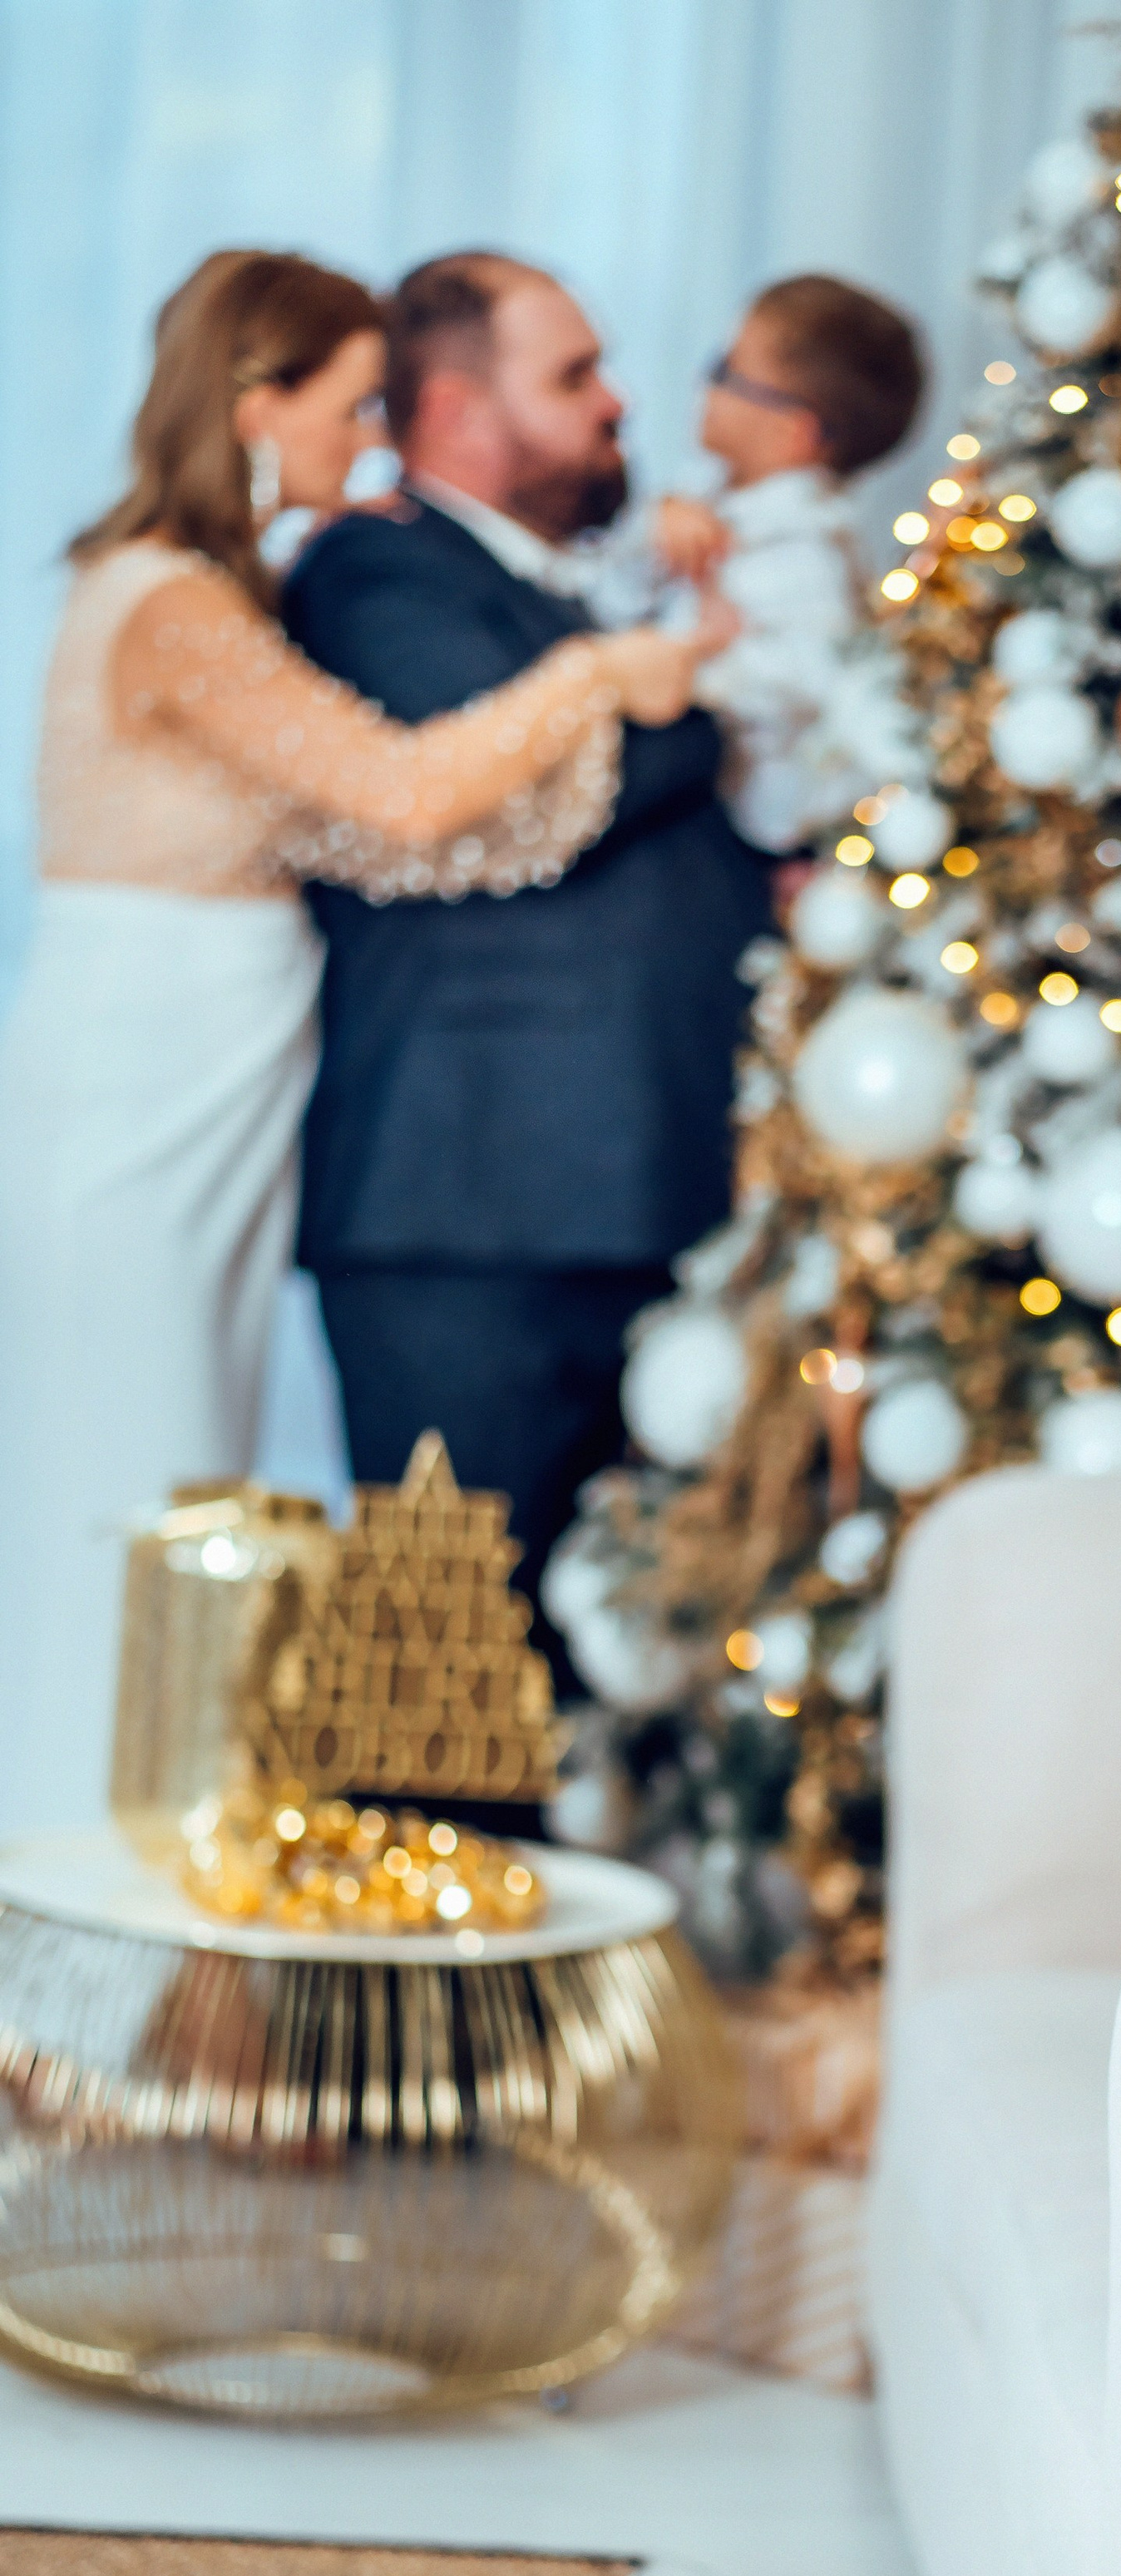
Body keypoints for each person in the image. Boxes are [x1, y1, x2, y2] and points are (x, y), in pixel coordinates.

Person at [0, 248, 704, 1831]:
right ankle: (72, 1923)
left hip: (221, 1077)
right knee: (120, 1500)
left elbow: (400, 838)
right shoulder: (169, 602)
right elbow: (400, 794)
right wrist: (602, 671)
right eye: (349, 405)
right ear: (257, 408)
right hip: (140, 1085)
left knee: (183, 1488)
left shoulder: (219, 596)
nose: (374, 441)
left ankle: (135, 1917)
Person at [281, 250, 773, 1713]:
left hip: (618, 1196)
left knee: (564, 1678)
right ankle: (387, 1954)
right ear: (454, 409)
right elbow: (523, 788)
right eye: (573, 376)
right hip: (466, 1206)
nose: (619, 402)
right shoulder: (376, 572)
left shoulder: (572, 594)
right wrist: (689, 711)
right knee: (432, 1684)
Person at [674, 273, 925, 852]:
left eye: (726, 371)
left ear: (794, 433)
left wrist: (699, 660)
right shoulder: (711, 502)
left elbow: (812, 690)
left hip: (739, 836)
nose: (706, 386)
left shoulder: (808, 564)